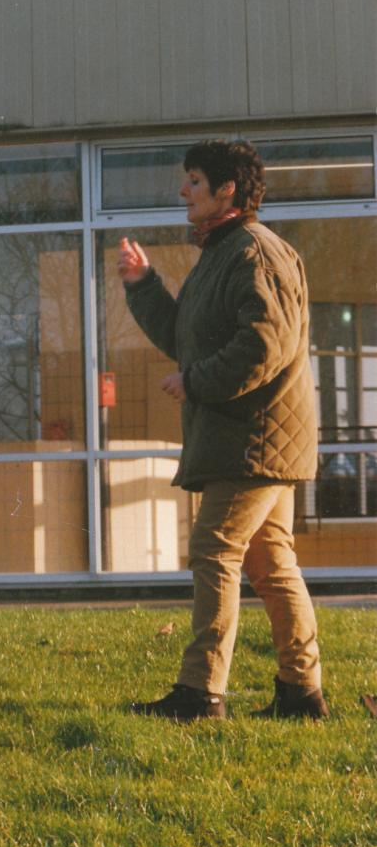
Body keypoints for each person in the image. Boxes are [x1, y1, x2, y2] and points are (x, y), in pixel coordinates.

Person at [118, 139, 328, 721]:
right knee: (269, 563)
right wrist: (143, 285)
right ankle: (301, 694)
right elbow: (188, 337)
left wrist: (198, 381)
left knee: (215, 551)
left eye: (192, 179)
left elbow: (266, 344)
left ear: (227, 188)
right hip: (249, 437)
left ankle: (200, 692)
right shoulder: (223, 254)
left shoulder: (256, 253)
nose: (182, 190)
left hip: (252, 438)